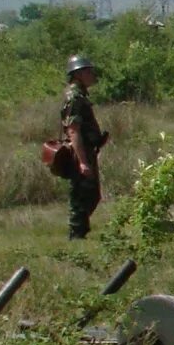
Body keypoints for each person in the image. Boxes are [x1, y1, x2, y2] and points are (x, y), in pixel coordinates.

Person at [60, 55, 106, 239]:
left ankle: (80, 233)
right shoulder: (75, 97)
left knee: (91, 194)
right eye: (88, 71)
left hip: (86, 151)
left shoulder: (80, 95)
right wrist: (82, 162)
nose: (92, 75)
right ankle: (76, 235)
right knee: (81, 196)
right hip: (80, 153)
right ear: (78, 74)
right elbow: (73, 131)